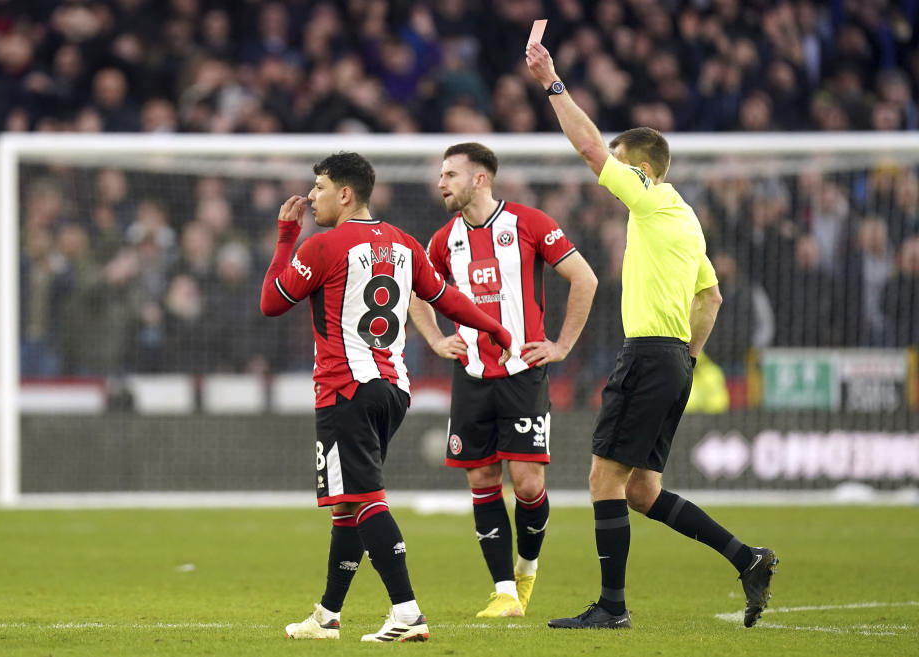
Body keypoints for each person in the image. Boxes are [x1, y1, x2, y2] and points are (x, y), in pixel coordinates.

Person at [526, 42, 777, 630]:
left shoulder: (651, 197)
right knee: (641, 490)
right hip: (673, 360)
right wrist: (687, 358)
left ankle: (612, 608)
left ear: (641, 169)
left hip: (647, 353)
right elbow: (709, 298)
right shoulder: (685, 219)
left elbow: (590, 149)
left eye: (621, 163)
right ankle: (748, 559)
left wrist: (553, 82)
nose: (610, 172)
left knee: (603, 479)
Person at [259, 152, 515, 642]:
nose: (311, 197)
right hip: (393, 389)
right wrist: (494, 328)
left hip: (345, 388)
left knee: (364, 499)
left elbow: (271, 302)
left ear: (345, 194)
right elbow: (446, 297)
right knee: (346, 505)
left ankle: (407, 612)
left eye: (318, 188)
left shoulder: (322, 247)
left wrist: (286, 237)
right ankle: (328, 616)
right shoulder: (403, 242)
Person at [409, 142, 598, 618]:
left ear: (480, 179)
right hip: (472, 375)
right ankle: (504, 593)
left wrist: (561, 346)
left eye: (450, 174)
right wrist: (434, 338)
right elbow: (417, 290)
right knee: (482, 477)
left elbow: (585, 279)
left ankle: (527, 569)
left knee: (529, 483)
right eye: (441, 174)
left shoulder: (529, 224)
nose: (441, 183)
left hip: (523, 372)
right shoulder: (442, 240)